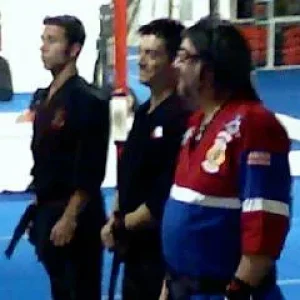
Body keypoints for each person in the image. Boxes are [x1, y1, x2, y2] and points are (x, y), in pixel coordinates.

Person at [161, 16, 291, 300]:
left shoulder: (254, 125)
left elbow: (264, 226)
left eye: (183, 57)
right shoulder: (198, 124)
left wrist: (238, 291)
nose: (175, 65)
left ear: (208, 69)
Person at [101, 18, 187, 300]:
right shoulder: (143, 112)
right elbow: (127, 172)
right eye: (142, 52)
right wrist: (114, 217)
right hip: (134, 249)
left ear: (174, 62)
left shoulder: (180, 117)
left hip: (161, 250)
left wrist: (122, 225)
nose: (142, 61)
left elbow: (166, 188)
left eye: (153, 54)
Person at [28, 15, 109, 300]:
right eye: (43, 40)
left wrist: (70, 218)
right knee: (60, 290)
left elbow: (91, 167)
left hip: (76, 216)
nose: (43, 47)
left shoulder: (88, 100)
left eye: (52, 41)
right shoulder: (44, 98)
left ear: (74, 49)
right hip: (49, 209)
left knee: (81, 291)